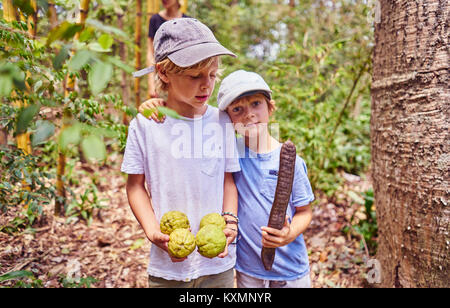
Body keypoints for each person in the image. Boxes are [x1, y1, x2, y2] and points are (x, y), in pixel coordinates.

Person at [139, 70, 315, 288]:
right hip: (247, 269)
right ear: (227, 118)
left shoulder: (290, 160)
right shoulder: (226, 152)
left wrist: (289, 234)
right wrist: (158, 104)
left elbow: (304, 212)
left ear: (271, 107)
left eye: (256, 104)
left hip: (290, 269)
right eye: (238, 109)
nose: (249, 114)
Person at [123, 18, 241, 288]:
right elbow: (135, 186)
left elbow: (228, 180)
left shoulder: (222, 121)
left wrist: (230, 222)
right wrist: (152, 230)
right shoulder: (145, 125)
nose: (206, 85)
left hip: (218, 263)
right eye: (194, 76)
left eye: (211, 75)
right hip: (168, 267)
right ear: (164, 73)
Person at [147, 0, 189, 98]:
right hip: (161, 76)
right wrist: (151, 83)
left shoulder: (187, 21)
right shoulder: (155, 19)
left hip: (181, 76)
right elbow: (150, 52)